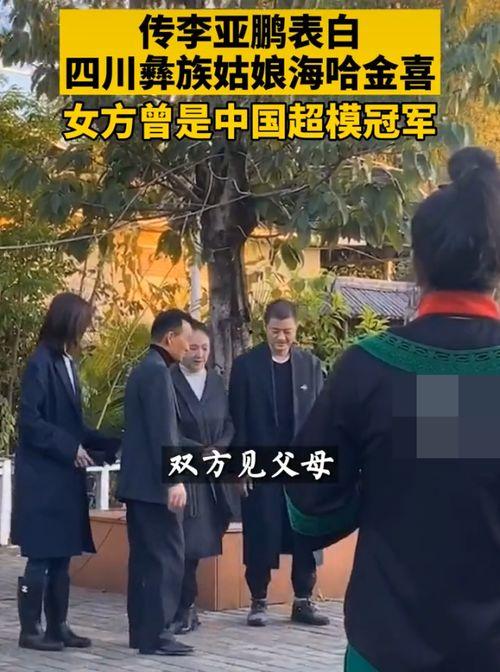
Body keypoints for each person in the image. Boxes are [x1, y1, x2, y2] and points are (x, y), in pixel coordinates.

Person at [286, 147, 500, 672]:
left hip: (387, 647)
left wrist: (377, 485)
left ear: (416, 261)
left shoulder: (369, 370)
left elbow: (308, 506)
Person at [12, 292, 120, 652]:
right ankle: (31, 629)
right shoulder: (40, 363)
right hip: (42, 477)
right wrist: (69, 447)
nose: (86, 331)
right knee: (41, 554)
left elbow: (73, 425)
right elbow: (30, 422)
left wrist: (110, 442)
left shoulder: (67, 363)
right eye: (83, 324)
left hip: (63, 477)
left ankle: (58, 625)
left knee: (62, 554)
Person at [229, 299, 328, 627]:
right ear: (265, 328)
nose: (281, 338)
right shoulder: (246, 366)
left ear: (296, 329)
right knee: (262, 530)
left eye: (287, 331)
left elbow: (322, 419)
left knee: (304, 532)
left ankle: (303, 600)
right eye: (275, 331)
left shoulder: (311, 365)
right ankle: (258, 601)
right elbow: (237, 420)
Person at [117, 309, 193, 657]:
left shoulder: (143, 369)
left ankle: (142, 632)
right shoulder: (158, 373)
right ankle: (159, 632)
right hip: (154, 487)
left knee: (144, 561)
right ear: (170, 338)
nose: (189, 347)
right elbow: (163, 432)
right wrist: (174, 479)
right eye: (186, 340)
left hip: (138, 486)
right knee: (166, 558)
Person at [170, 320, 237, 634]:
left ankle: (188, 606)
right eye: (193, 347)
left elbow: (229, 424)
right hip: (184, 469)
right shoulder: (169, 381)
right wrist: (198, 450)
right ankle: (182, 606)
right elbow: (167, 428)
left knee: (199, 544)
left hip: (213, 473)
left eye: (205, 348)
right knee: (183, 543)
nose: (199, 354)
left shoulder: (216, 383)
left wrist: (219, 448)